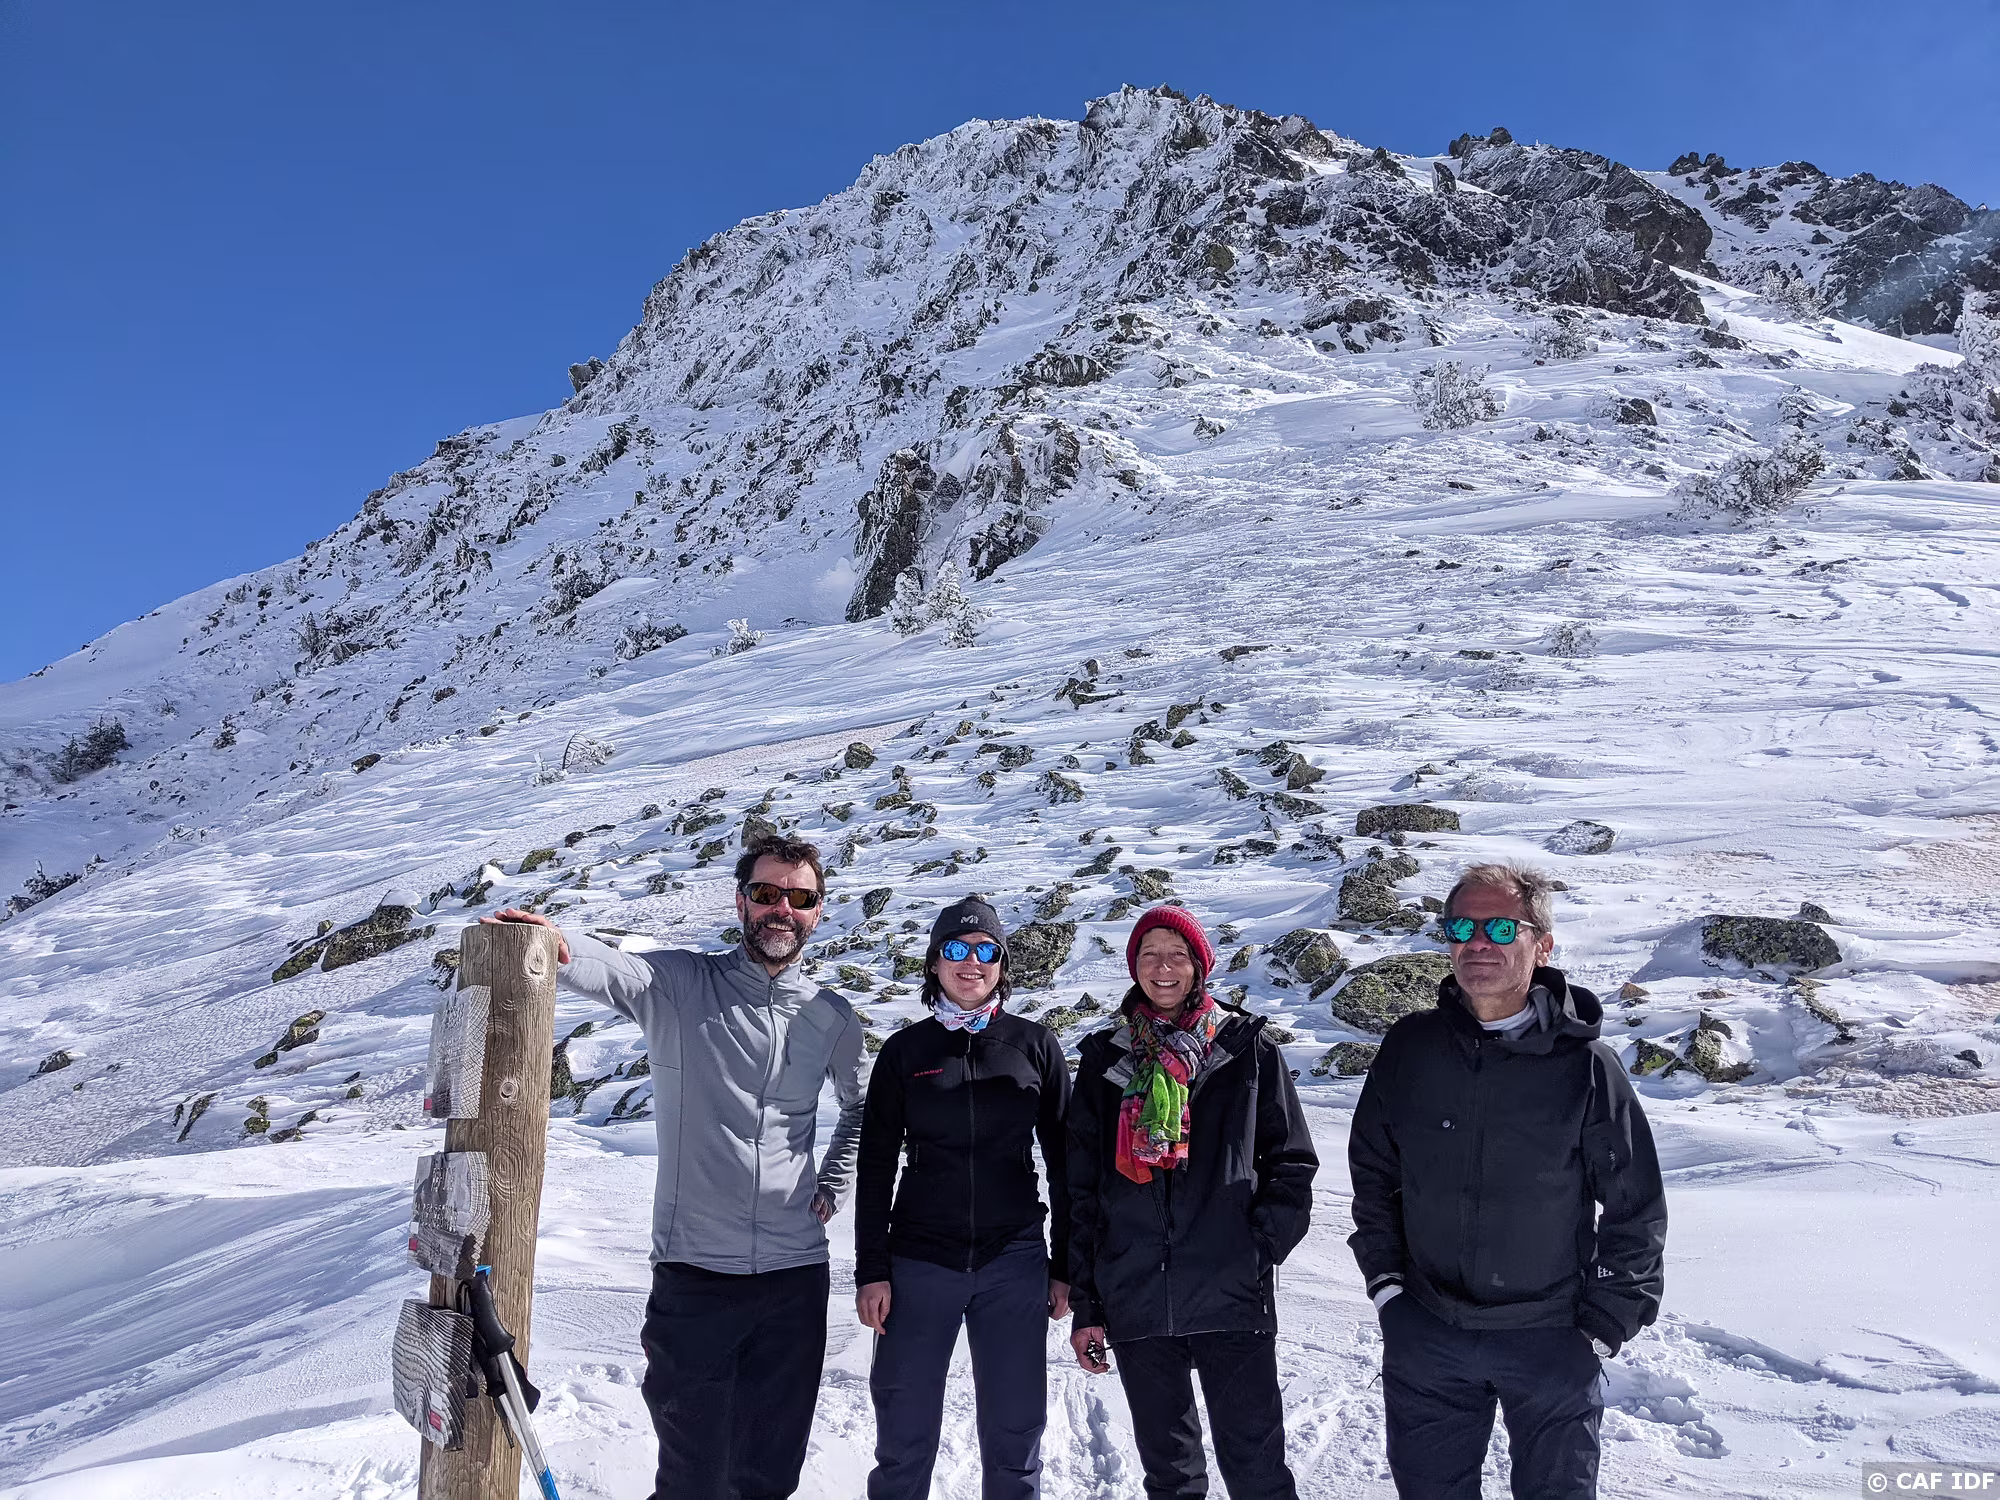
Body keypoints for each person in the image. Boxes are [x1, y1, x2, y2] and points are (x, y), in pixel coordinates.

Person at [483, 832, 866, 1500]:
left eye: (799, 898)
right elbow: (615, 969)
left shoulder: (831, 1017)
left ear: (817, 911)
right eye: (766, 893)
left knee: (769, 1478)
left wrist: (834, 1186)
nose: (782, 908)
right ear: (741, 902)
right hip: (695, 1278)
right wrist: (558, 941)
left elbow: (866, 1108)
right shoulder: (683, 986)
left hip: (795, 1281)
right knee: (693, 1480)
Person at [1347, 861, 1668, 1500]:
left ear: (1541, 945)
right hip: (1429, 1332)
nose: (1477, 943)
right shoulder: (1411, 1049)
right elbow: (1374, 1175)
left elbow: (1635, 1205)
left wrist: (1601, 1326)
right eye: (1461, 927)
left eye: (1499, 927)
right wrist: (1389, 1291)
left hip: (1550, 1339)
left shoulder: (1586, 1066)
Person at [1067, 904, 1318, 1500]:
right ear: (1134, 966)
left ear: (1198, 966)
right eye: (1149, 954)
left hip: (1231, 1292)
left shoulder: (1245, 1049)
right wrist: (1088, 1302)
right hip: (1135, 1293)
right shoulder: (1105, 1058)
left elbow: (1291, 1162)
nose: (1163, 967)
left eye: (1176, 954)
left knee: (1257, 1472)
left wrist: (1255, 1250)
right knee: (1171, 1477)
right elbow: (1081, 1189)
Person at [854, 896, 1073, 1500]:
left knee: (1015, 1432)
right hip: (919, 1263)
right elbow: (875, 1167)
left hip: (1014, 1262)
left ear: (1002, 963)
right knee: (902, 1434)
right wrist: (872, 1270)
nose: (970, 962)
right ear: (934, 962)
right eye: (956, 948)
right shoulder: (905, 1052)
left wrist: (1066, 1266)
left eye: (985, 950)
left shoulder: (1034, 1045)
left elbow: (1067, 1165)